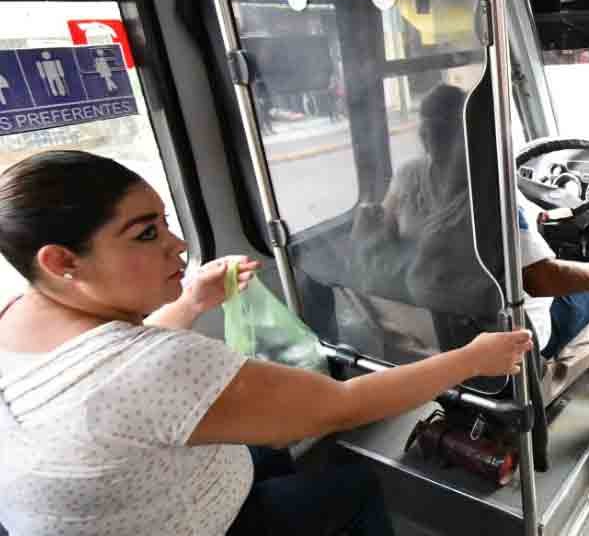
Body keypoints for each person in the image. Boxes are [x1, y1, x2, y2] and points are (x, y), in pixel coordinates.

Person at [0, 151, 531, 535]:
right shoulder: (153, 369)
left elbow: (112, 375)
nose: (179, 245)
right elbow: (344, 406)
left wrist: (190, 303)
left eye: (166, 223)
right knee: (351, 488)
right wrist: (471, 358)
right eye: (146, 234)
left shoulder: (15, 321)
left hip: (143, 500)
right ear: (62, 262)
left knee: (267, 454)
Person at [379, 85, 589, 409]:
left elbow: (386, 229)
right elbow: (542, 280)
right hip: (510, 336)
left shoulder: (408, 175)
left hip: (437, 322)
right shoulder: (495, 196)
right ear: (471, 134)